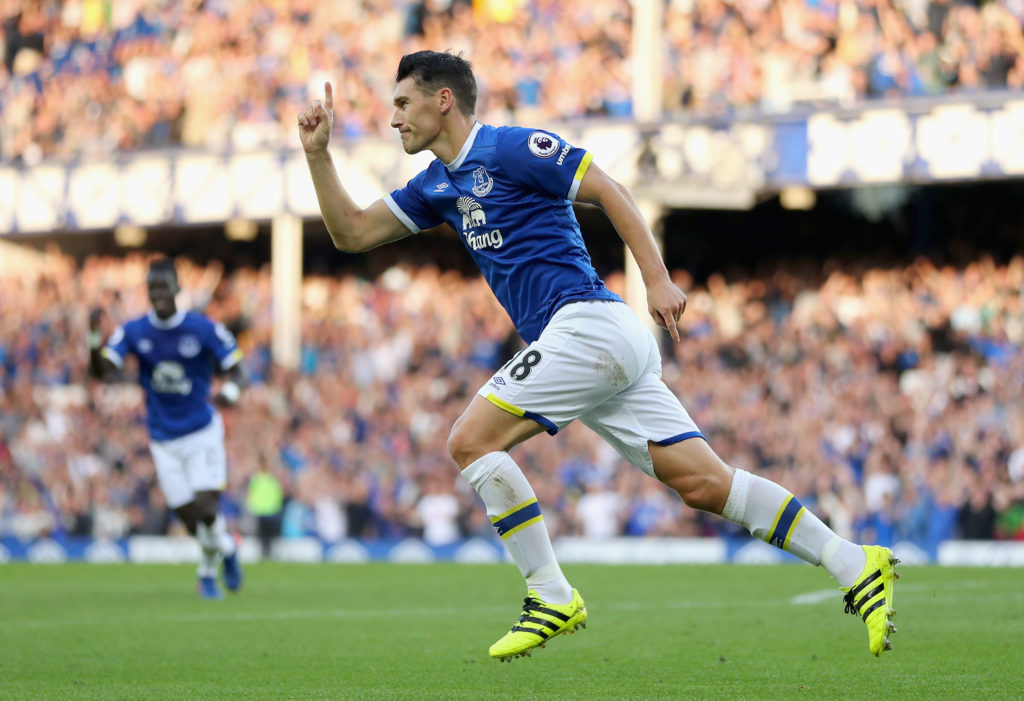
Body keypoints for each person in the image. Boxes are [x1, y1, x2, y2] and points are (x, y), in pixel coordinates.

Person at [298, 51, 899, 660]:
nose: (392, 118)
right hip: (596, 341)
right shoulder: (434, 186)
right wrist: (318, 155)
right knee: (703, 484)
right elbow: (350, 232)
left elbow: (607, 187)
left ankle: (550, 593)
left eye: (402, 103)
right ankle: (852, 561)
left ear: (443, 100)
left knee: (470, 441)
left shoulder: (510, 149)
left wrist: (658, 278)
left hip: (587, 325)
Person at [88, 257, 247, 600]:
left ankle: (206, 572)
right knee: (191, 519)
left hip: (202, 430)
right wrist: (91, 340)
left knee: (206, 508)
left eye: (164, 286)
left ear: (177, 288)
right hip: (163, 438)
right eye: (153, 287)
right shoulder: (134, 331)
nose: (158, 293)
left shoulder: (202, 328)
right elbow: (103, 371)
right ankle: (227, 549)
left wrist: (230, 392)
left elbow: (237, 368)